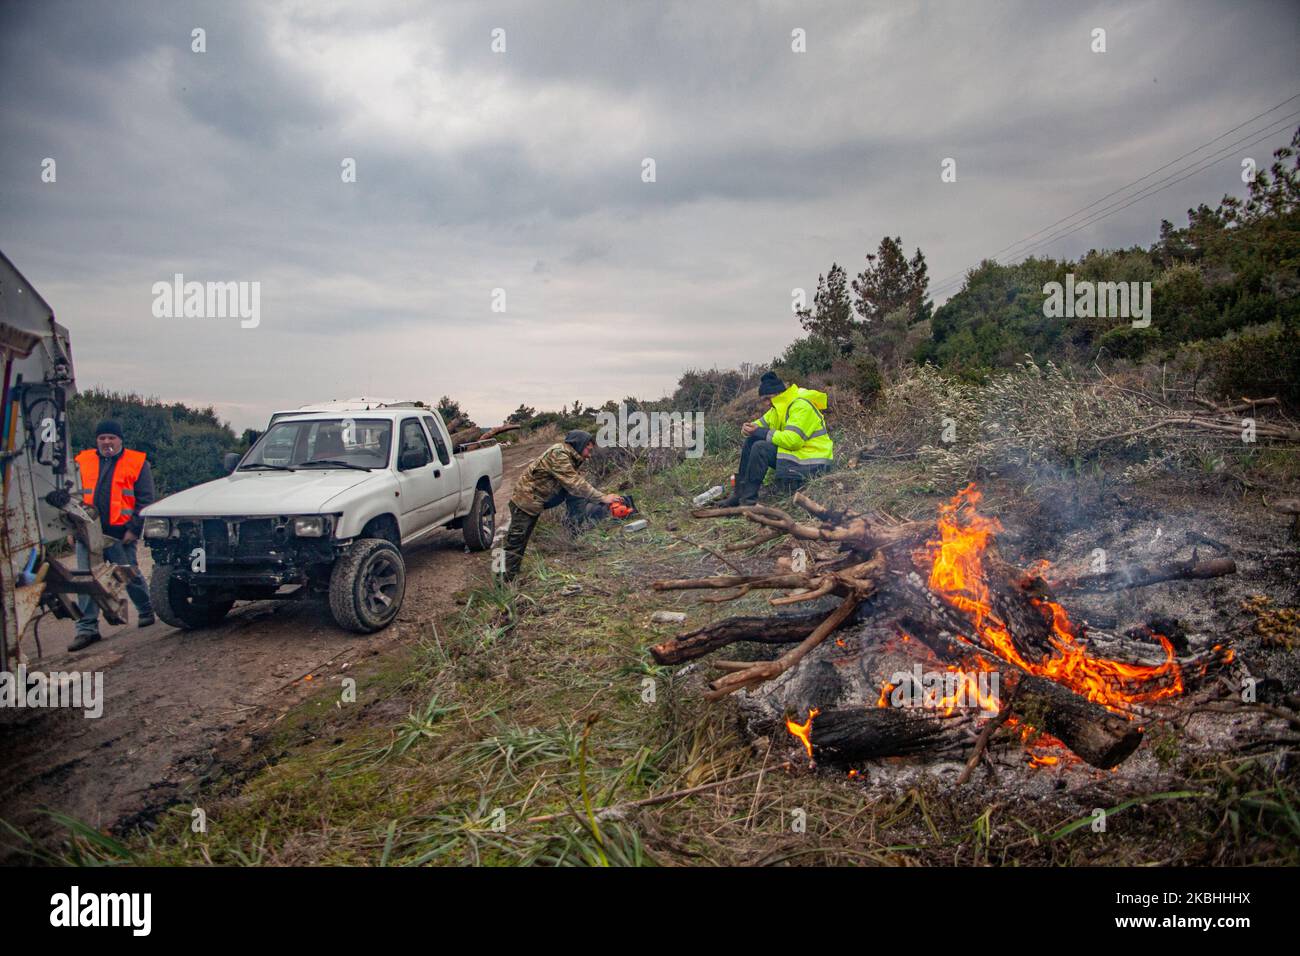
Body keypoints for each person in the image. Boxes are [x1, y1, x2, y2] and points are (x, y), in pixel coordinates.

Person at [69, 420, 156, 651]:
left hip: (120, 533)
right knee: (87, 579)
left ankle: (146, 609)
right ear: (96, 440)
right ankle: (87, 628)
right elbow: (73, 498)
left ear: (120, 440)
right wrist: (70, 530)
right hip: (86, 533)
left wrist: (134, 529)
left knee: (128, 573)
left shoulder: (138, 463)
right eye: (102, 438)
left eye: (111, 438)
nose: (107, 442)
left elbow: (146, 500)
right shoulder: (81, 462)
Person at [500, 430, 621, 582]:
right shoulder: (559, 454)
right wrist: (603, 497)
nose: (589, 455)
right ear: (579, 444)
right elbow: (575, 483)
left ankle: (510, 578)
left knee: (520, 543)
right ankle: (501, 582)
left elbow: (575, 487)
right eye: (588, 450)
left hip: (535, 502)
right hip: (525, 503)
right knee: (514, 544)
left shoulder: (569, 455)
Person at [719, 371, 833, 507]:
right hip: (800, 458)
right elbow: (757, 426)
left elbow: (793, 441)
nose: (766, 403)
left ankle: (748, 501)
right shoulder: (777, 410)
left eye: (768, 398)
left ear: (779, 394)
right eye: (763, 400)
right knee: (752, 441)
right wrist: (747, 429)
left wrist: (760, 431)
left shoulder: (801, 406)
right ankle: (740, 494)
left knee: (760, 447)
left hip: (814, 463)